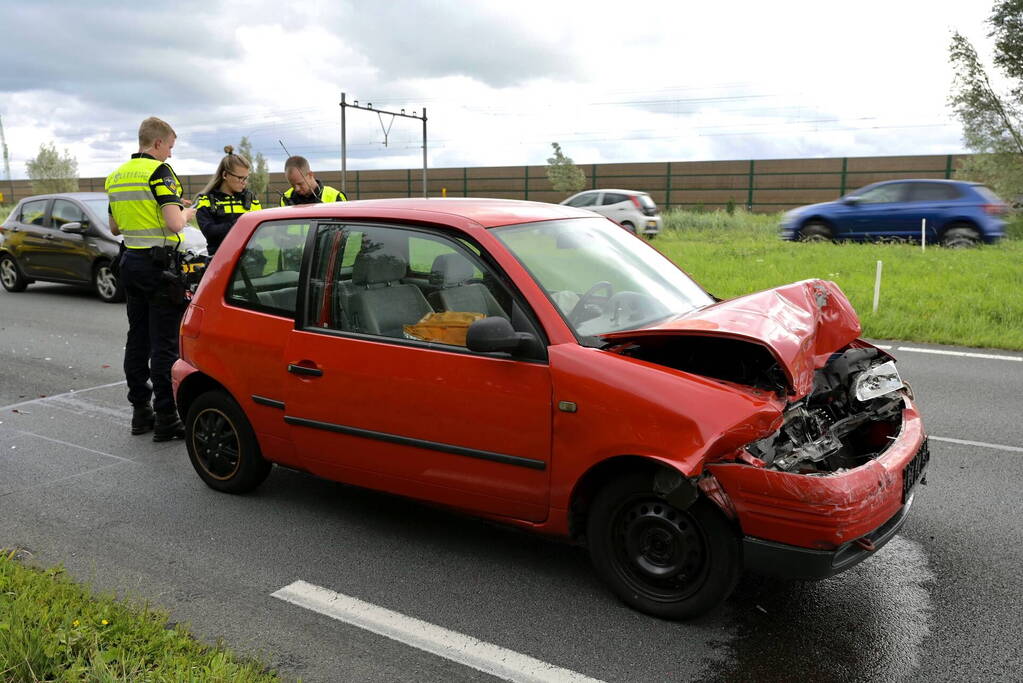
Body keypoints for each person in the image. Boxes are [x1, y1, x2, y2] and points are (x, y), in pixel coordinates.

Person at [105, 116, 195, 442]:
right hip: (160, 267)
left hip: (130, 261)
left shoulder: (115, 177)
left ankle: (140, 411)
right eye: (170, 146)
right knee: (165, 343)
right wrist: (187, 212)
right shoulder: (160, 172)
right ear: (157, 143)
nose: (170, 154)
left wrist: (166, 209)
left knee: (137, 337)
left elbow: (115, 228)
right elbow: (174, 225)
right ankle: (167, 417)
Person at [194, 145, 262, 255]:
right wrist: (241, 223)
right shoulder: (206, 200)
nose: (244, 182)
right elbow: (210, 232)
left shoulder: (251, 199)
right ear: (225, 175)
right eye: (240, 178)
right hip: (219, 260)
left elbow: (259, 231)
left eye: (246, 178)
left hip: (250, 260)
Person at [280, 155, 347, 205]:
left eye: (300, 184)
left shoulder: (335, 197)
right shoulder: (285, 199)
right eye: (293, 185)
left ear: (310, 174)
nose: (297, 189)